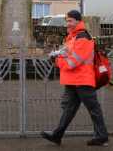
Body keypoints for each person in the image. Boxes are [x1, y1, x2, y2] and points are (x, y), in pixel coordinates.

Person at [41, 10, 109, 146]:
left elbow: (73, 61)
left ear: (78, 21)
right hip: (75, 80)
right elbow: (65, 54)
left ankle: (101, 136)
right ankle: (57, 135)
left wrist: (57, 61)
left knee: (93, 109)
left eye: (70, 21)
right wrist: (56, 56)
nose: (68, 23)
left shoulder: (82, 37)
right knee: (70, 109)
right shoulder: (73, 37)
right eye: (67, 21)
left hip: (82, 80)